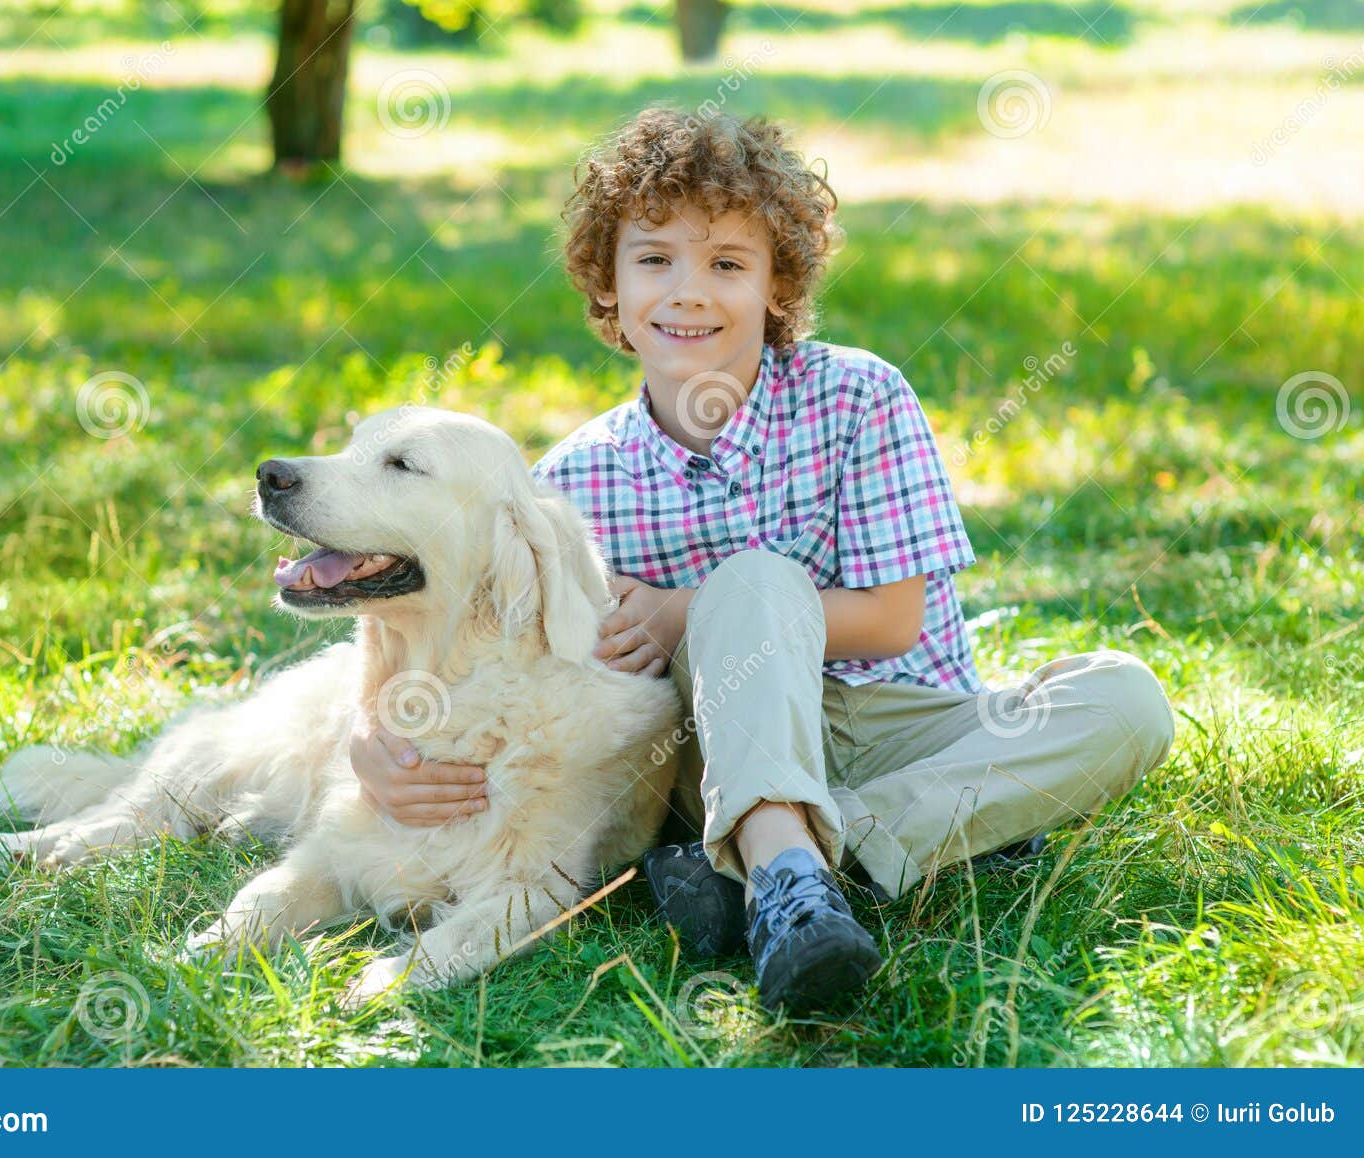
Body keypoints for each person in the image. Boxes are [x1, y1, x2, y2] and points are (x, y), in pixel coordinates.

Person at [350, 106, 1176, 1013]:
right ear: (609, 285)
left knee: (1125, 701)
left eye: (728, 265)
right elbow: (473, 643)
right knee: (752, 584)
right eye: (654, 259)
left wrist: (678, 609)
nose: (688, 292)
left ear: (778, 286)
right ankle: (821, 867)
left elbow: (896, 619)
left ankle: (777, 866)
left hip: (898, 719)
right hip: (713, 750)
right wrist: (369, 742)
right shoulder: (572, 482)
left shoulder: (859, 396)